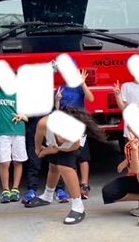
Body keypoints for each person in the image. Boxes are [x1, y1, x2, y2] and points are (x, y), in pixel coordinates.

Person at [25, 107, 106, 225]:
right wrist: (38, 149)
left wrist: (52, 150)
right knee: (53, 165)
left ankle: (79, 207)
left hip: (71, 147)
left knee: (64, 166)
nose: (62, 138)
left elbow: (73, 147)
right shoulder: (44, 123)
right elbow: (38, 137)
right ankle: (48, 196)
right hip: (52, 143)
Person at [55, 68, 95, 199]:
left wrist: (83, 83)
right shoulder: (61, 88)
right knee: (68, 155)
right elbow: (57, 109)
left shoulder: (80, 88)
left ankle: (84, 185)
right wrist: (57, 100)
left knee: (83, 155)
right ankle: (73, 186)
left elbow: (91, 98)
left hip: (79, 124)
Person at [0, 86, 28, 203]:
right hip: (2, 131)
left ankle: (15, 189)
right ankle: (5, 190)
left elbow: (28, 111)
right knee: (4, 162)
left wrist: (23, 115)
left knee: (18, 161)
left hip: (18, 130)